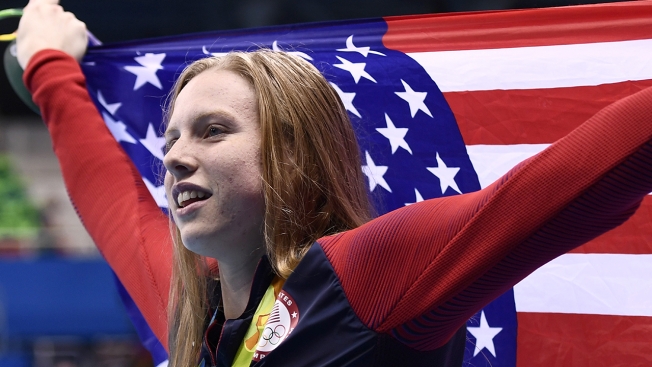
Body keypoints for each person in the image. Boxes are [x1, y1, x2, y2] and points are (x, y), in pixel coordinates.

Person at [15, 0, 652, 366]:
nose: (176, 157)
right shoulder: (195, 314)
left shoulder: (362, 277)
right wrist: (48, 62)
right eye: (173, 138)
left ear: (292, 156)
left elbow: (566, 184)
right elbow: (112, 203)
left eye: (213, 131)